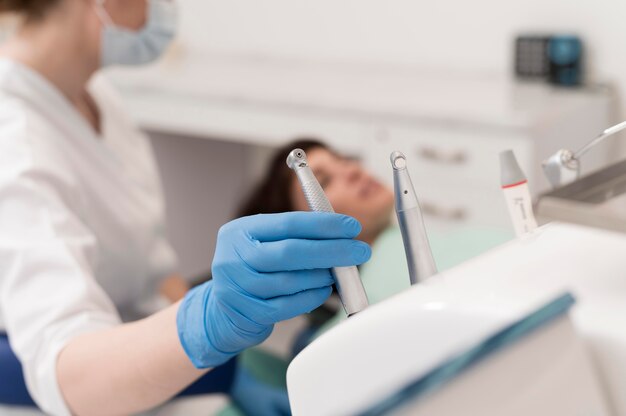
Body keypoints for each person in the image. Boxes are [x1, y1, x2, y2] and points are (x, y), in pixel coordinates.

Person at [0, 1, 371, 415]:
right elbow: (66, 374)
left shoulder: (96, 97)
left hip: (139, 355)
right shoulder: (13, 139)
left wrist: (230, 361)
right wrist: (208, 319)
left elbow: (152, 266)